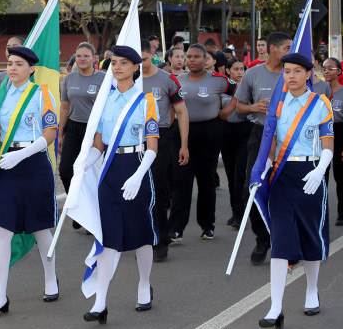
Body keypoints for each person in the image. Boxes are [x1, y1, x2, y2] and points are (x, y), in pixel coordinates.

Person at [0, 47, 59, 317]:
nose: (12, 68)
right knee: (3, 231)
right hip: (7, 166)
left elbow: (50, 133)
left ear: (31, 68)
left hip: (33, 165)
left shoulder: (41, 93)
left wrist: (22, 154)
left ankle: (51, 279)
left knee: (40, 228)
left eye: (18, 64)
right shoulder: (2, 96)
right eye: (9, 63)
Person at [82, 45, 159, 323]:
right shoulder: (105, 100)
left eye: (123, 63)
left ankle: (143, 284)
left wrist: (138, 176)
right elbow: (99, 143)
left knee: (141, 233)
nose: (117, 67)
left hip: (137, 166)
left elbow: (152, 147)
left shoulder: (146, 101)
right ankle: (100, 301)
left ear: (136, 67)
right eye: (113, 62)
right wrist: (87, 162)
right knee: (108, 236)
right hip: (110, 171)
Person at [258, 52, 333, 328]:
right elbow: (272, 145)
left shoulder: (320, 103)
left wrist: (320, 170)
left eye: (296, 71)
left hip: (310, 172)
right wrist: (263, 169)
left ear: (308, 74)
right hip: (281, 176)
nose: (290, 76)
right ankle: (275, 306)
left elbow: (328, 143)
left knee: (310, 233)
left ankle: (311, 290)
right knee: (280, 239)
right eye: (286, 71)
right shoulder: (277, 105)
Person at [168, 43, 237, 242]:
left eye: (197, 57)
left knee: (206, 180)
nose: (191, 60)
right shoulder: (176, 80)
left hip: (209, 131)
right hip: (181, 134)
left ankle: (207, 226)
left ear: (206, 59)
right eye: (189, 56)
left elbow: (239, 91)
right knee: (181, 182)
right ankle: (176, 229)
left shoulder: (217, 80)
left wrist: (225, 112)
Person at [236, 31, 292, 265]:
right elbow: (239, 107)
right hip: (261, 137)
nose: (291, 52)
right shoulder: (253, 73)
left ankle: (285, 241)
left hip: (289, 139)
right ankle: (262, 238)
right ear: (272, 49)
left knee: (285, 191)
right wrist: (253, 108)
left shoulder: (294, 73)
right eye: (287, 48)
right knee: (255, 188)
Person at [141, 39, 190, 262]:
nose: (139, 64)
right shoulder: (125, 80)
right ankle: (143, 237)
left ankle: (161, 240)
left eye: (143, 59)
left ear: (153, 54)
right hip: (132, 139)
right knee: (138, 191)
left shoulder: (167, 79)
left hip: (160, 137)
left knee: (157, 188)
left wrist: (184, 145)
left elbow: (181, 112)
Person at [58, 42, 106, 229]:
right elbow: (64, 107)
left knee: (92, 172)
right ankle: (78, 208)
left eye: (86, 55)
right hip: (73, 128)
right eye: (78, 56)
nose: (82, 59)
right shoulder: (69, 78)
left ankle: (93, 212)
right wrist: (60, 133)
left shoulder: (103, 78)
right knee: (66, 170)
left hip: (95, 131)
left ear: (94, 58)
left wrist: (101, 134)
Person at [322, 57, 343, 226]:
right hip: (323, 134)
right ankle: (321, 213)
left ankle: (342, 212)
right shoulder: (318, 91)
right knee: (322, 176)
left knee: (341, 178)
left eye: (330, 68)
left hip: (341, 133)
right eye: (324, 68)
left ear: (339, 71)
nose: (326, 71)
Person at [219, 58, 251, 228]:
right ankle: (235, 211)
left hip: (244, 133)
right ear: (228, 71)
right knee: (231, 175)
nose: (239, 72)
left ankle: (243, 212)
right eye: (236, 69)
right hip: (226, 133)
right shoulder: (222, 90)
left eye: (242, 69)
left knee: (240, 174)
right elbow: (220, 113)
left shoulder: (248, 88)